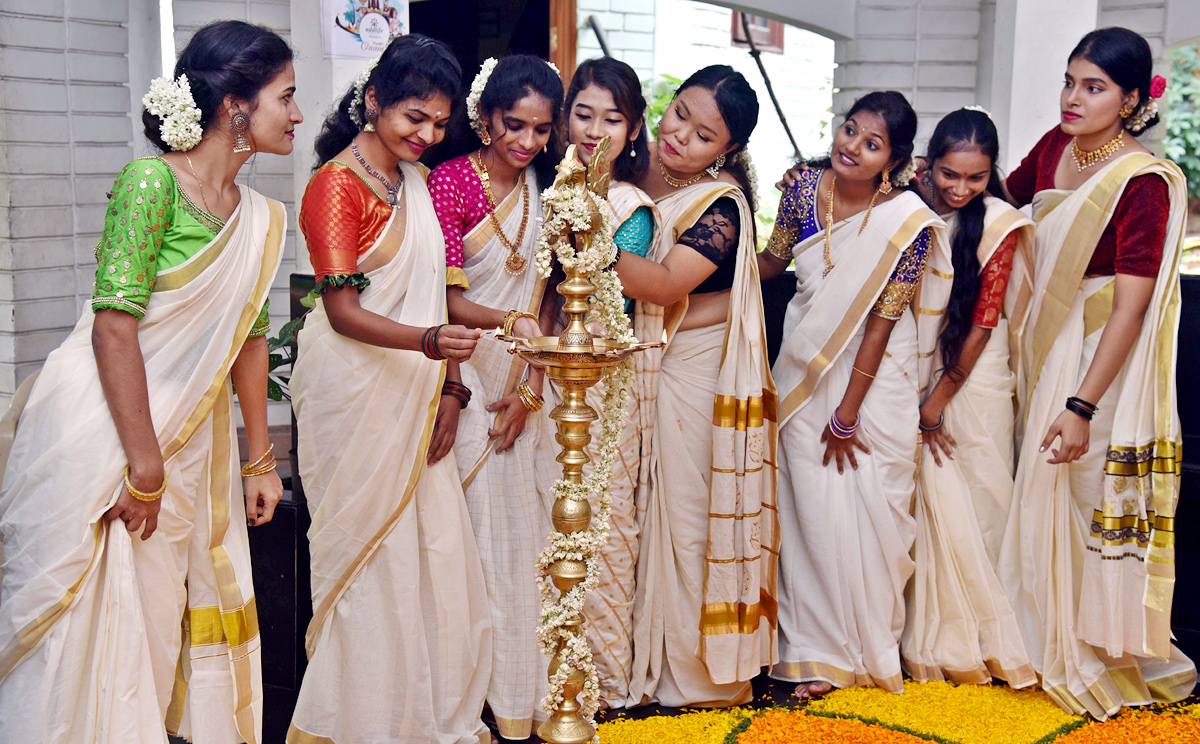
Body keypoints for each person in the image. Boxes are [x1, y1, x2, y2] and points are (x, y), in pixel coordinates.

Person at [0, 21, 298, 743]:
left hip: (187, 444)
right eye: (285, 97)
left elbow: (248, 338)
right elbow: (113, 327)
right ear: (235, 106)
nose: (296, 114)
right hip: (107, 432)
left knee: (155, 622)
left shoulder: (259, 218)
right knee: (84, 624)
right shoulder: (151, 183)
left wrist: (260, 458)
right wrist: (141, 464)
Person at [287, 35, 492, 744]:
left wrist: (451, 390)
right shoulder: (334, 188)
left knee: (432, 557)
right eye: (414, 117)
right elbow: (343, 314)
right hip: (353, 394)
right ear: (373, 101)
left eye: (440, 124)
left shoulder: (415, 181)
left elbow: (435, 294)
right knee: (369, 561)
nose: (428, 135)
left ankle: (423, 715)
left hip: (419, 386)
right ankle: (361, 722)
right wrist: (431, 347)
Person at [997, 27, 1195, 718]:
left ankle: (1089, 645)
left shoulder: (1143, 181)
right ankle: (1024, 636)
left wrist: (1082, 406)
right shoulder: (1056, 147)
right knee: (1035, 487)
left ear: (1131, 98)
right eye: (1070, 80)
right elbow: (995, 203)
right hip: (1041, 342)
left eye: (1094, 87)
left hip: (1096, 357)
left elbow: (1132, 309)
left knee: (1079, 494)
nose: (1073, 98)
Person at [762, 91, 950, 699]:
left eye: (872, 144)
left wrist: (847, 413)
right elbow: (770, 263)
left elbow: (882, 323)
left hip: (874, 384)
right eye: (850, 131)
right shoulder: (799, 191)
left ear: (893, 161)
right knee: (809, 510)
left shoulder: (907, 223)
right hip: (802, 368)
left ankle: (865, 646)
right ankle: (813, 652)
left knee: (874, 512)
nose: (853, 146)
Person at [616, 65, 775, 709]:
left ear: (725, 151)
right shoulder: (635, 167)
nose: (680, 135)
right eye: (678, 113)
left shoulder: (720, 203)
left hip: (696, 370)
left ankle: (694, 673)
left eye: (703, 134)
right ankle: (641, 654)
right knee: (641, 509)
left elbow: (659, 286)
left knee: (684, 511)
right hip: (646, 358)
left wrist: (582, 237)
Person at [428, 55, 564, 741]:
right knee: (473, 542)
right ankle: (466, 703)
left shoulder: (549, 188)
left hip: (522, 383)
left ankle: (518, 696)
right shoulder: (450, 183)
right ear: (486, 119)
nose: (527, 142)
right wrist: (507, 328)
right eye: (515, 125)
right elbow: (449, 299)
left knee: (524, 546)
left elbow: (551, 304)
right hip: (463, 375)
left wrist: (532, 392)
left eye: (541, 130)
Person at [899, 108, 1037, 688]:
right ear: (928, 165)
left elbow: (983, 324)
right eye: (949, 175)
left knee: (981, 494)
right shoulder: (908, 203)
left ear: (991, 174)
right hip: (920, 361)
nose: (959, 189)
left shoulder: (1001, 224)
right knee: (919, 502)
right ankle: (922, 633)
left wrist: (938, 402)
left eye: (975, 178)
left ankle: (986, 637)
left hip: (975, 377)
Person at [561, 56, 658, 709]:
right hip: (546, 377)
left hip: (603, 385)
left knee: (601, 528)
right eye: (584, 113)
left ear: (632, 128)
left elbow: (609, 308)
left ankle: (596, 683)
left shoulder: (630, 207)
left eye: (612, 118)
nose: (595, 129)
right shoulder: (555, 187)